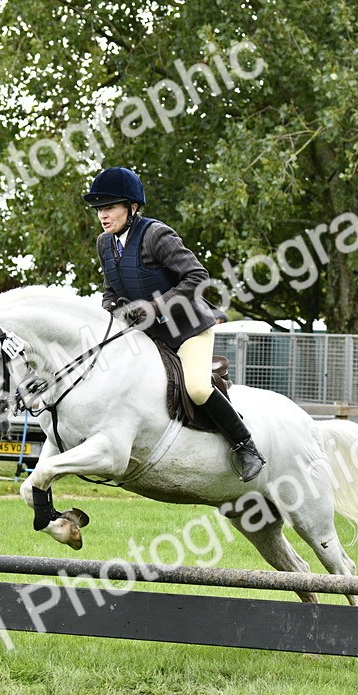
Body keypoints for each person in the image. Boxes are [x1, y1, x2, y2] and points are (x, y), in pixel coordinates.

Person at [82, 166, 265, 481]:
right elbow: (110, 289)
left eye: (109, 207)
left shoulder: (156, 235)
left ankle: (246, 446)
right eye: (99, 209)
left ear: (133, 207)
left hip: (188, 330)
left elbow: (198, 276)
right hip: (150, 336)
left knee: (197, 388)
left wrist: (155, 306)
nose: (103, 215)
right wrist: (109, 312)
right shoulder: (104, 243)